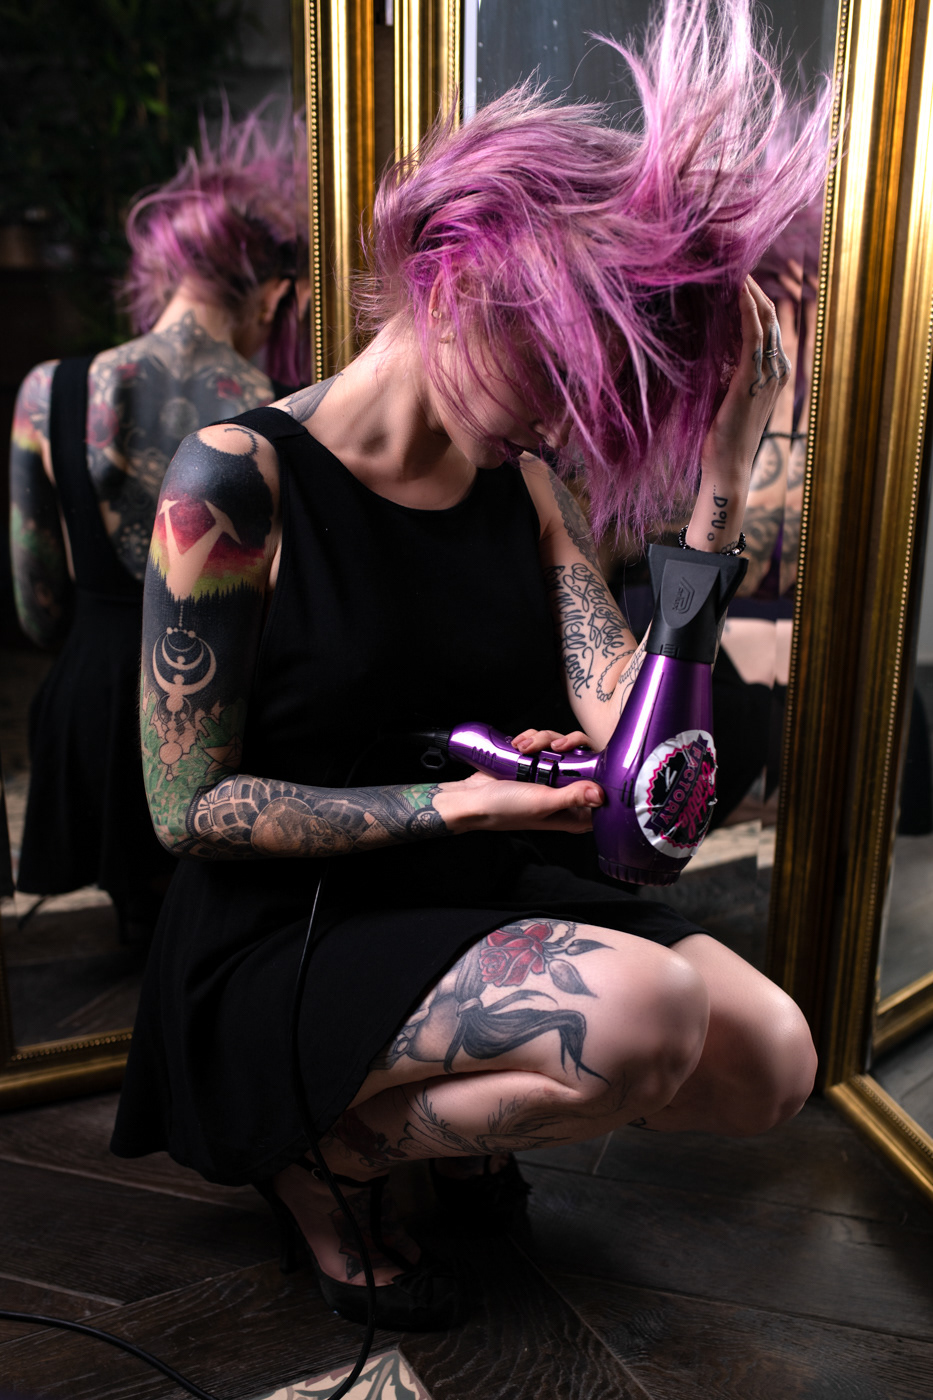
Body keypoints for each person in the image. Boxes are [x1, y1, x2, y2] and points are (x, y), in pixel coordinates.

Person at [111, 0, 832, 1332]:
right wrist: (467, 802)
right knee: (647, 1017)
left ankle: (409, 1132)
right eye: (554, 367)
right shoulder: (235, 479)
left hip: (466, 901)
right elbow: (187, 810)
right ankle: (323, 1155)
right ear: (461, 282)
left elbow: (648, 774)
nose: (564, 411)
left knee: (772, 1058)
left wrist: (721, 487)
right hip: (287, 933)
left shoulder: (529, 485)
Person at [9, 106, 310, 939]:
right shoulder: (286, 412)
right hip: (222, 719)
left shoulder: (49, 391)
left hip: (95, 711)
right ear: (271, 293)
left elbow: (37, 609)